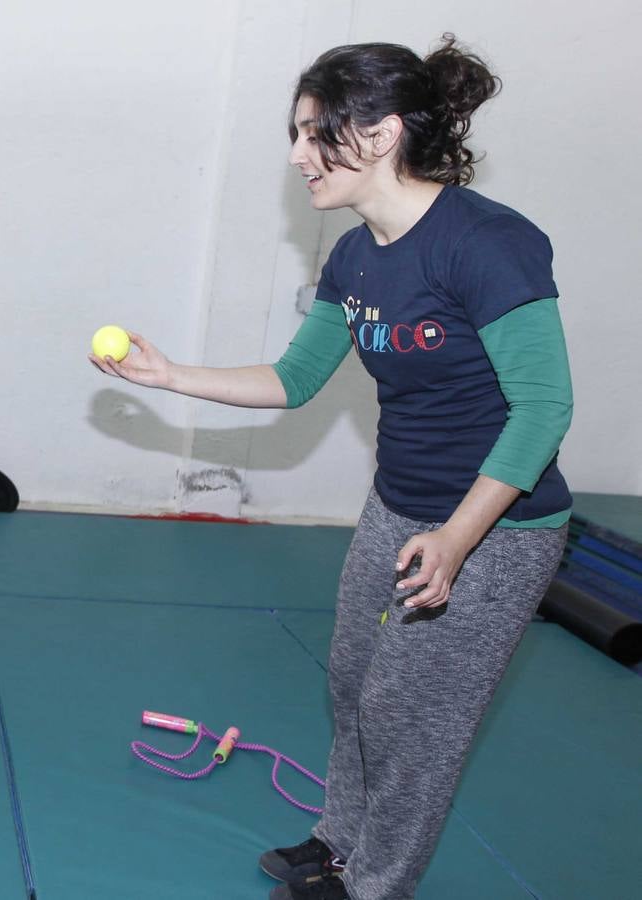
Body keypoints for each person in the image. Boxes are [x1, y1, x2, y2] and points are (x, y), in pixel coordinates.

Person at [91, 36, 572, 900]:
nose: (296, 155)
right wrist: (169, 376)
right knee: (354, 680)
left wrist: (458, 540)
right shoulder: (353, 258)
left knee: (412, 715)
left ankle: (376, 885)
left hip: (496, 527)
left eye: (316, 134)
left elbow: (545, 409)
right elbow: (294, 378)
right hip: (400, 507)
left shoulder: (488, 244)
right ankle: (341, 838)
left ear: (381, 134)